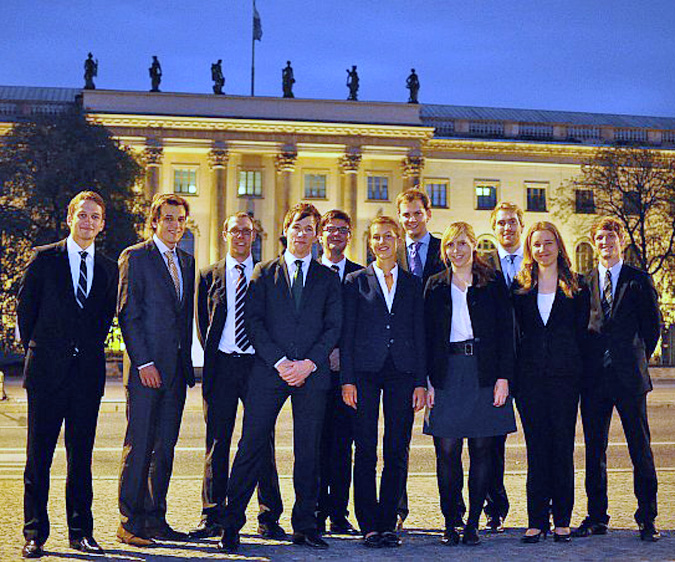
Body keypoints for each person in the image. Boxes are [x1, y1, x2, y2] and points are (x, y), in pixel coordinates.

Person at [218, 203, 342, 552]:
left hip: (311, 375)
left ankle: (305, 526)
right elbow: (253, 322)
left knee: (308, 451)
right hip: (270, 372)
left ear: (317, 236)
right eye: (297, 227)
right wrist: (281, 361)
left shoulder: (327, 278)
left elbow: (333, 327)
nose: (302, 234)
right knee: (251, 446)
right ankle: (231, 525)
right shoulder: (263, 272)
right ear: (286, 231)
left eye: (309, 229)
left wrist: (309, 364)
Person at [17, 191, 117, 558]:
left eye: (95, 217)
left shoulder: (108, 268)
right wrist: (45, 350)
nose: (88, 222)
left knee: (81, 459)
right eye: (83, 215)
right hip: (46, 373)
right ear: (69, 218)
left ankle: (81, 532)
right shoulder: (44, 259)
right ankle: (34, 534)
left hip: (86, 377)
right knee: (38, 458)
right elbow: (25, 312)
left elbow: (103, 320)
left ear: (102, 225)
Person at [190, 212, 283, 540]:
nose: (241, 236)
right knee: (218, 440)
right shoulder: (208, 274)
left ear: (254, 236)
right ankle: (212, 514)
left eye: (247, 231)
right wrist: (215, 356)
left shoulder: (266, 275)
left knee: (261, 441)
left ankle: (268, 515)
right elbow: (203, 323)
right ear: (225, 234)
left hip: (258, 366)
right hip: (223, 366)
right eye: (235, 231)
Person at [423, 221, 516, 547]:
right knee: (447, 451)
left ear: (474, 245)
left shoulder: (492, 283)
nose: (456, 250)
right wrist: (427, 380)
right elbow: (425, 337)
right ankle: (452, 520)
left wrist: (504, 377)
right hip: (446, 374)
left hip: (484, 373)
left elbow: (507, 333)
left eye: (462, 243)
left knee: (481, 449)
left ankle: (474, 522)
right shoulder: (434, 285)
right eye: (450, 244)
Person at [573, 217, 661, 542]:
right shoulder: (585, 282)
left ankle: (647, 517)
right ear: (594, 242)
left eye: (610, 237)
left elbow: (652, 328)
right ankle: (597, 517)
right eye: (600, 238)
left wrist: (634, 357)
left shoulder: (638, 280)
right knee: (594, 450)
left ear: (621, 240)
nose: (605, 243)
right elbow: (581, 327)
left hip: (629, 378)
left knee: (640, 448)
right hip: (594, 379)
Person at [342, 216, 427, 548]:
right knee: (364, 448)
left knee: (397, 448)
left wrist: (420, 382)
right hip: (364, 372)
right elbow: (347, 335)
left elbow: (419, 334)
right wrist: (347, 380)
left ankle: (389, 522)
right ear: (370, 242)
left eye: (388, 236)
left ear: (398, 240)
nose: (382, 242)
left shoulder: (413, 283)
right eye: (376, 237)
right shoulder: (355, 282)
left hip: (402, 372)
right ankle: (368, 524)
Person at [117, 193, 195, 546]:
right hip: (145, 371)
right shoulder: (135, 257)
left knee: (164, 449)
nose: (175, 225)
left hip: (175, 372)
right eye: (168, 218)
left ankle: (155, 519)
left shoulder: (186, 261)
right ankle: (129, 522)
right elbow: (128, 314)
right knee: (140, 446)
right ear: (154, 221)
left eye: (180, 219)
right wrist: (144, 362)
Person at [512, 221, 590, 543]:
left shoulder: (577, 285)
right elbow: (515, 335)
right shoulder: (520, 286)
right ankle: (536, 519)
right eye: (536, 244)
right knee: (536, 449)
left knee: (562, 447)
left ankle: (562, 520)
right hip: (529, 381)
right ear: (530, 249)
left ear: (558, 245)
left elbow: (584, 335)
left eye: (548, 242)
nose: (542, 249)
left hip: (565, 379)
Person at [395, 187, 446, 529]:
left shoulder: (446, 249)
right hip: (402, 353)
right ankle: (398, 509)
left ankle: (454, 514)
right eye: (406, 214)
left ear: (428, 213)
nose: (412, 219)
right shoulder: (392, 250)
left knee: (447, 438)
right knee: (399, 439)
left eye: (417, 213)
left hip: (440, 351)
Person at [316, 210, 363, 535]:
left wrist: (344, 356)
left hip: (348, 374)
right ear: (321, 234)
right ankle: (316, 511)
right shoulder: (309, 271)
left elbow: (363, 324)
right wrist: (323, 354)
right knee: (315, 443)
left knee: (344, 445)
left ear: (349, 235)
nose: (336, 234)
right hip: (315, 371)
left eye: (342, 230)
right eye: (331, 229)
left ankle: (339, 513)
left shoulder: (360, 275)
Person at [482, 201, 526, 532]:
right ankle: (494, 508)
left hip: (533, 363)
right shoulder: (483, 267)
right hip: (496, 364)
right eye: (501, 223)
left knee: (540, 438)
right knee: (492, 442)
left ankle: (545, 505)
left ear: (521, 226)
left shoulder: (537, 262)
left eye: (512, 222)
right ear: (493, 227)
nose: (507, 228)